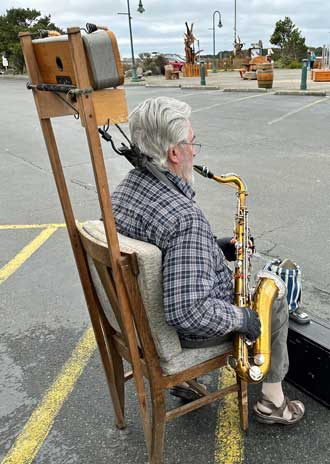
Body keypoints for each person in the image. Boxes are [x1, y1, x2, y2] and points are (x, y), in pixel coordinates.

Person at [111, 96, 305, 426]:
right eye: (191, 142)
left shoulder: (124, 190)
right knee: (274, 295)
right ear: (174, 152)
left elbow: (162, 253)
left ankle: (186, 384)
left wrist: (214, 248)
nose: (195, 151)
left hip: (140, 320)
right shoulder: (185, 219)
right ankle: (273, 401)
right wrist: (242, 318)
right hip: (179, 334)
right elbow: (187, 311)